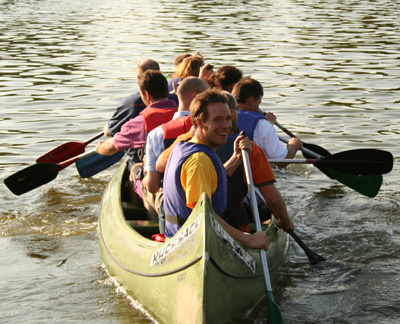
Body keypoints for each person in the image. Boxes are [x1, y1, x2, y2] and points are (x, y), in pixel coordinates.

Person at [162, 89, 268, 250]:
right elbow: (204, 218)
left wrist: (236, 157)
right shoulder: (199, 161)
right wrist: (248, 240)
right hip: (192, 245)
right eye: (217, 120)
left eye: (228, 119)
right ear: (199, 122)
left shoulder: (186, 146)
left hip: (182, 238)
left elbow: (213, 182)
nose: (226, 126)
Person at [96, 70, 178, 207]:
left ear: (147, 94)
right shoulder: (183, 114)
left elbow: (111, 147)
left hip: (156, 180)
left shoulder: (140, 122)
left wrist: (99, 149)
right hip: (178, 172)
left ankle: (144, 212)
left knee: (134, 170)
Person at [140, 77, 209, 219]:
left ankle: (155, 226)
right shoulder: (214, 129)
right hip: (210, 199)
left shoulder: (156, 134)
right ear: (195, 96)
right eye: (208, 96)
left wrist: (146, 169)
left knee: (144, 184)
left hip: (175, 209)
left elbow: (153, 187)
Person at [232, 77, 303, 167]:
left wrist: (269, 124)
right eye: (259, 102)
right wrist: (293, 146)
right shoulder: (262, 125)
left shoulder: (223, 117)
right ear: (251, 101)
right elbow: (281, 162)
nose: (258, 106)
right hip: (249, 176)